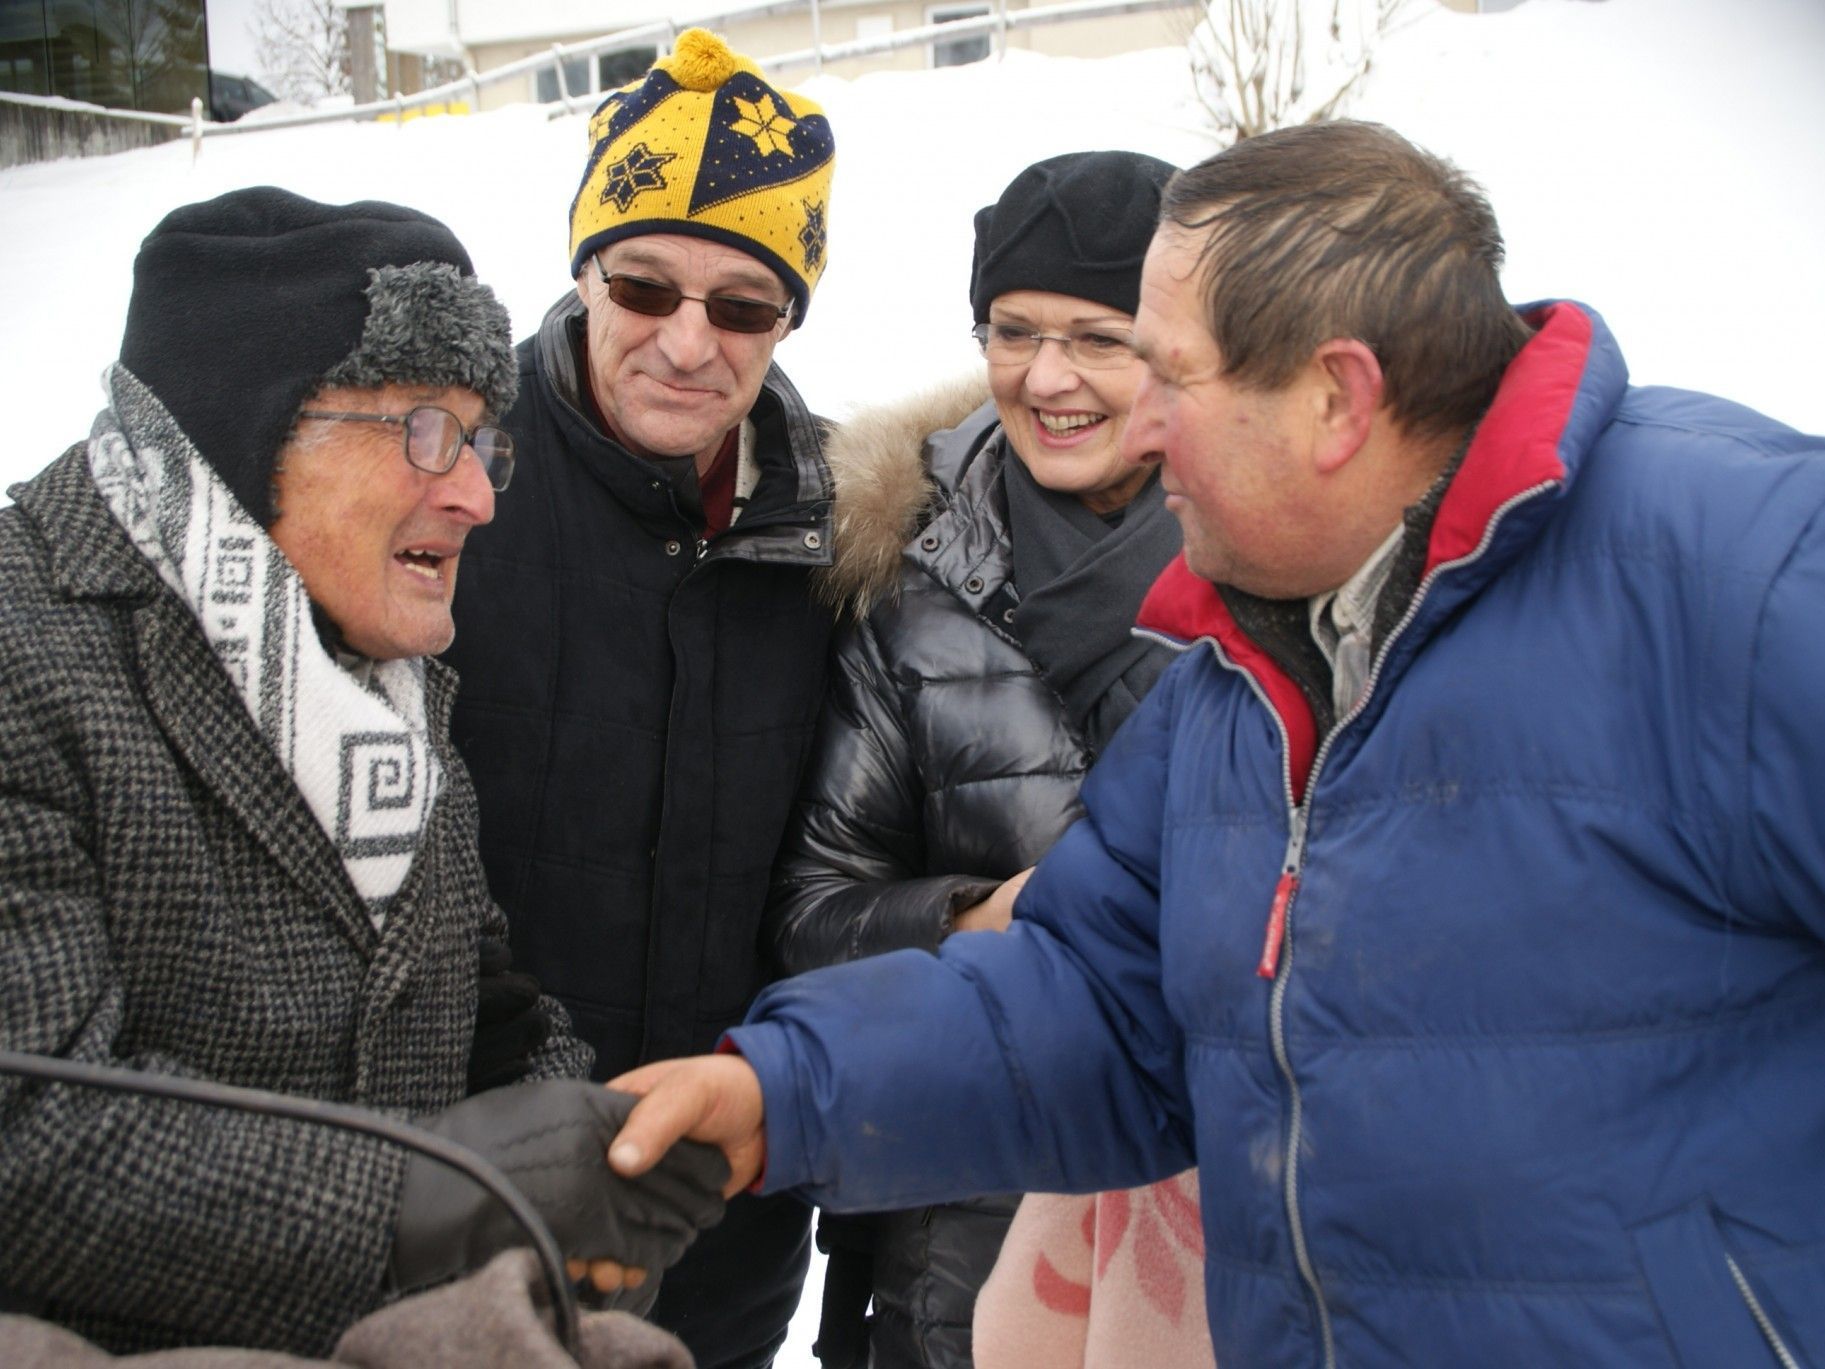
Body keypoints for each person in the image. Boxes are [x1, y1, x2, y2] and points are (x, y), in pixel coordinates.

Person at [606, 120, 1825, 1367]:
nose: (1134, 430)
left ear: (1335, 397)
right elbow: (1102, 1001)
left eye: (1165, 376)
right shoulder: (1247, 664)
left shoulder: (1747, 571)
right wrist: (780, 1093)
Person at [0, 187, 726, 1358]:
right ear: (246, 427)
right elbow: (23, 1138)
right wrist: (426, 1198)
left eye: (483, 440)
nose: (479, 495)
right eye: (424, 432)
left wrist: (583, 1157)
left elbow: (475, 991)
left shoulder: (360, 666)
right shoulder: (26, 650)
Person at [442, 29, 843, 1369]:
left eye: (743, 306)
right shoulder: (447, 489)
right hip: (470, 1174)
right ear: (584, 274)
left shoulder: (848, 527)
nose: (688, 341)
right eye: (645, 285)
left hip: (725, 1203)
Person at [768, 150, 1206, 1369]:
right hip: (955, 1240)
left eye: (1097, 337)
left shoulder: (1280, 568)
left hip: (1213, 1228)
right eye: (1012, 330)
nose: (1047, 377)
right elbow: (814, 910)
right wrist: (968, 918)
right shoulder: (910, 584)